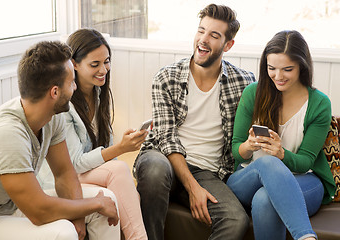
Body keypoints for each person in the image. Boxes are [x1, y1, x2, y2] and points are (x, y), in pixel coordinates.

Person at [133, 4, 256, 240]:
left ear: (228, 45)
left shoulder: (244, 83)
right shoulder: (166, 77)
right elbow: (166, 139)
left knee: (235, 219)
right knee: (156, 170)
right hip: (163, 158)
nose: (203, 39)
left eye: (214, 35)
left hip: (209, 172)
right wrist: (192, 188)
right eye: (201, 31)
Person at [0, 41, 120, 240]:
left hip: (13, 205)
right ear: (55, 92)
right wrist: (92, 204)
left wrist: (81, 213)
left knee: (108, 200)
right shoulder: (7, 134)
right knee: (64, 232)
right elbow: (38, 211)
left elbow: (64, 173)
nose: (75, 86)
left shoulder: (51, 117)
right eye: (72, 82)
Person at [37, 28, 148, 240]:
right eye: (94, 64)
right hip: (59, 181)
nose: (104, 69)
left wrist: (118, 149)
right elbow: (75, 164)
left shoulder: (98, 94)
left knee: (127, 191)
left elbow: (108, 157)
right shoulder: (64, 105)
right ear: (74, 64)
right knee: (118, 171)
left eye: (106, 61)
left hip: (85, 175)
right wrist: (120, 148)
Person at [226, 30, 336, 240]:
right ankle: (306, 237)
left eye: (287, 69)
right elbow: (236, 151)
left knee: (265, 199)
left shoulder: (319, 103)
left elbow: (305, 162)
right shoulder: (253, 93)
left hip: (303, 180)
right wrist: (249, 146)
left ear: (302, 66)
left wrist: (282, 154)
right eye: (271, 68)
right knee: (268, 163)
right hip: (248, 177)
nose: (278, 76)